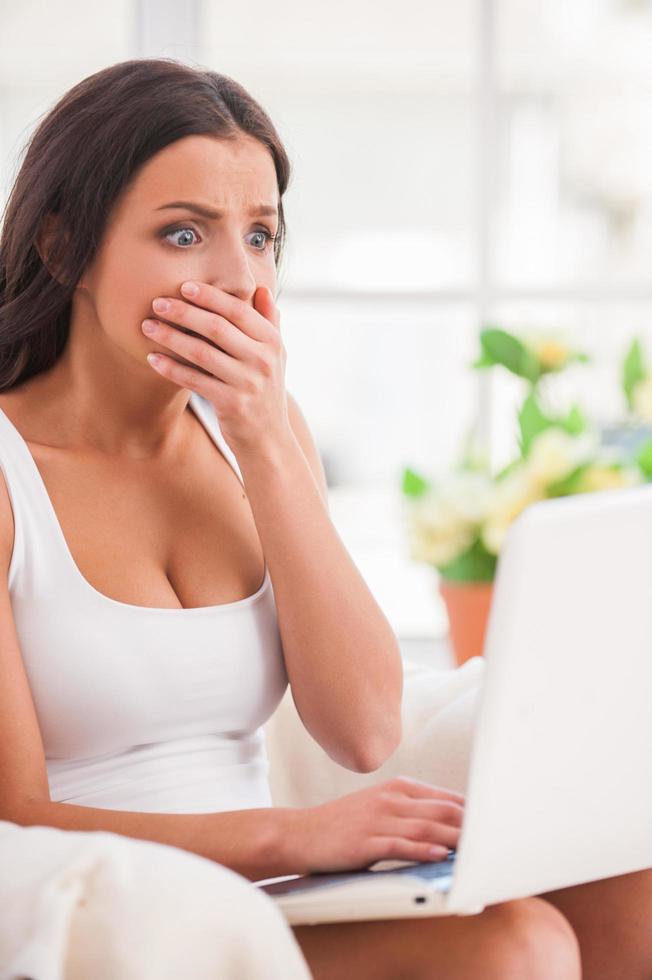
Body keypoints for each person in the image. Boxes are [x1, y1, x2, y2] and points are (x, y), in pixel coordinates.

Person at [0, 57, 648, 980]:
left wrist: (265, 442)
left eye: (260, 235)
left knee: (609, 888)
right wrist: (294, 835)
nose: (236, 278)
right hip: (126, 923)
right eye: (183, 234)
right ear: (65, 251)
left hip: (275, 898)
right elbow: (16, 817)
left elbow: (364, 731)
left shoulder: (256, 435)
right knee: (519, 948)